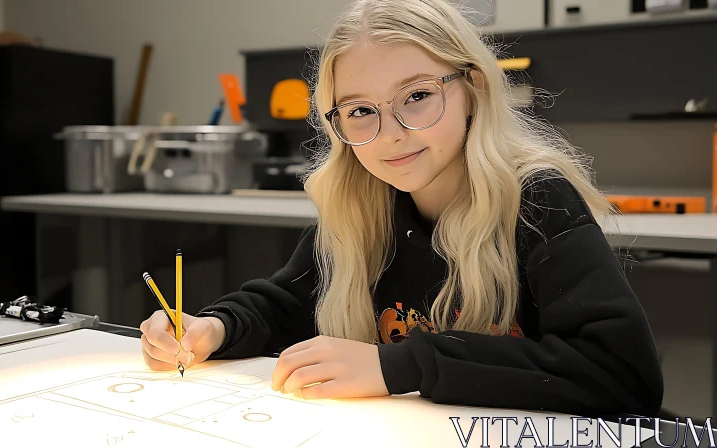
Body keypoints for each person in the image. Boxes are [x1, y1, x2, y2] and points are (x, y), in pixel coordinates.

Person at [140, 0, 664, 417]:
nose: (390, 134)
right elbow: (284, 304)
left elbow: (622, 372)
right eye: (361, 111)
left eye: (416, 97)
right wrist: (214, 328)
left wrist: (398, 366)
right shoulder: (362, 203)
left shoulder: (537, 200)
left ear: (472, 89)